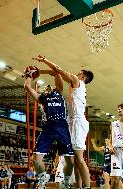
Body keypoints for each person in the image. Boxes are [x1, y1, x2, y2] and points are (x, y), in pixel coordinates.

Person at [32, 55, 94, 189]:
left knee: (79, 158)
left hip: (78, 121)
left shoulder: (78, 81)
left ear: (82, 76)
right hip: (71, 122)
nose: (77, 73)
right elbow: (55, 72)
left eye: (80, 72)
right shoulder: (74, 84)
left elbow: (57, 69)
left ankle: (87, 187)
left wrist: (44, 60)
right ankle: (78, 186)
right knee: (75, 160)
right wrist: (36, 72)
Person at [24, 68, 74, 189]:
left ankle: (66, 181)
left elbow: (57, 72)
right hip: (48, 128)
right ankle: (42, 177)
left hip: (63, 127)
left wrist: (40, 70)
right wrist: (28, 75)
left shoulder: (59, 92)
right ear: (42, 91)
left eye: (49, 86)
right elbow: (27, 87)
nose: (47, 87)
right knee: (35, 159)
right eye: (45, 88)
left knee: (71, 162)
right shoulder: (41, 99)